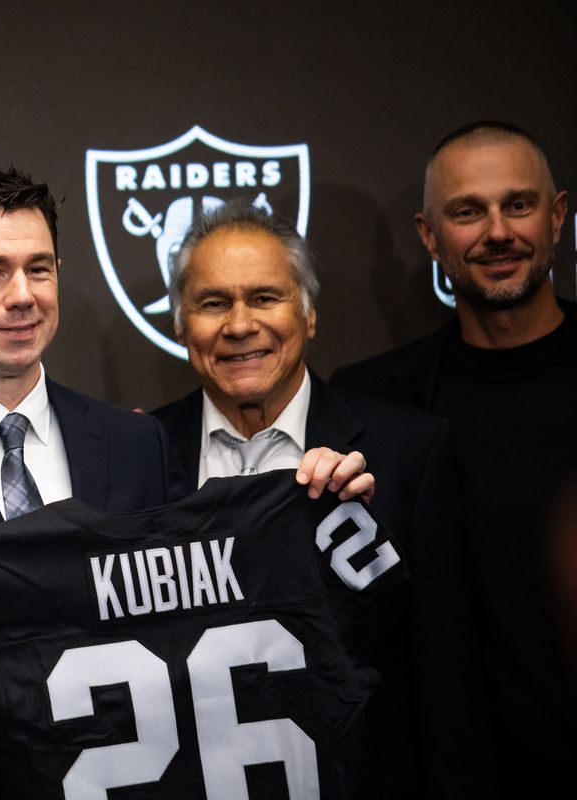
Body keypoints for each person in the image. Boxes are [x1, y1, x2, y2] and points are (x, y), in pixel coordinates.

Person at [0, 169, 372, 799]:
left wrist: (315, 515)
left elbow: (208, 629)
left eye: (40, 268)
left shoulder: (134, 445)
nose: (23, 295)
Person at [150, 202, 488, 797]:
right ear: (180, 326)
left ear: (308, 315)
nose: (239, 324)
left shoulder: (408, 453)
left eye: (264, 297)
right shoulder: (136, 458)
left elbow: (447, 684)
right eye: (212, 303)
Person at [332, 120, 576, 792]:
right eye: (468, 212)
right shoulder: (372, 402)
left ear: (557, 217)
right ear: (429, 236)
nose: (497, 232)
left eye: (518, 205)